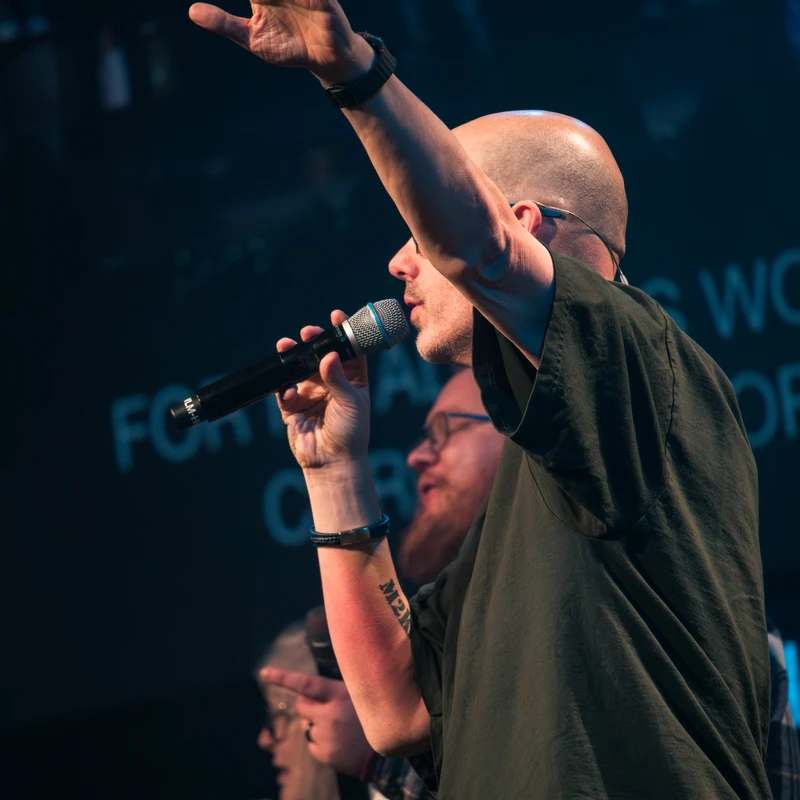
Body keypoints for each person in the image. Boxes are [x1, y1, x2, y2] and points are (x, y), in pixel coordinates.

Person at [190, 2, 773, 797]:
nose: (398, 263)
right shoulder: (523, 508)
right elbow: (397, 711)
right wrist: (334, 475)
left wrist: (352, 71)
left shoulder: (639, 358)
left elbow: (482, 250)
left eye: (416, 229)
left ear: (521, 222)